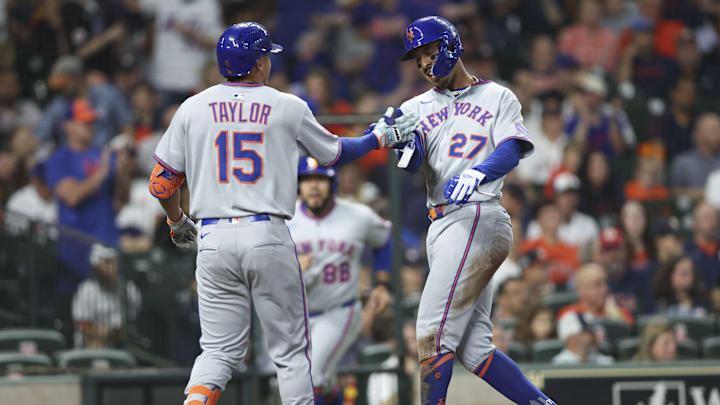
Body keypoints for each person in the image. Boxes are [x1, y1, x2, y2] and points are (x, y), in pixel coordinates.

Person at [148, 23, 418, 405]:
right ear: (258, 63)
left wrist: (177, 221)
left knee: (218, 352)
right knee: (290, 355)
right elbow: (336, 153)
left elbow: (161, 183)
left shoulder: (192, 107)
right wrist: (379, 137)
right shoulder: (286, 105)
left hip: (212, 238)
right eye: (266, 57)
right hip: (266, 232)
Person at [393, 16, 555, 405]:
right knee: (474, 350)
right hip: (443, 225)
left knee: (431, 332)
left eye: (429, 53)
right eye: (418, 60)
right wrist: (401, 139)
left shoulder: (497, 96)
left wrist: (480, 172)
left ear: (451, 46)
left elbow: (513, 145)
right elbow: (412, 166)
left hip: (477, 214)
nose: (425, 65)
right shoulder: (415, 106)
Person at [288, 157, 393, 403]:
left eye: (320, 180)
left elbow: (384, 239)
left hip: (339, 311)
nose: (313, 186)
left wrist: (382, 283)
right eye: (307, 180)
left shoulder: (357, 215)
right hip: (296, 315)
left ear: (332, 183)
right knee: (317, 382)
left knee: (310, 379)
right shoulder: (285, 219)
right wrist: (291, 263)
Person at [72, 244, 141, 348]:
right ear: (96, 266)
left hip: (121, 346)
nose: (112, 267)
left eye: (114, 262)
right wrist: (108, 331)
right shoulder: (86, 290)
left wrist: (108, 331)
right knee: (95, 344)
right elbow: (83, 326)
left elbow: (134, 326)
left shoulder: (129, 289)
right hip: (88, 344)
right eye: (107, 262)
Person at [670, 113, 720, 201]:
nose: (718, 133)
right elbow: (674, 194)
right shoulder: (682, 162)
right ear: (698, 134)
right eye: (714, 129)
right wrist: (710, 192)